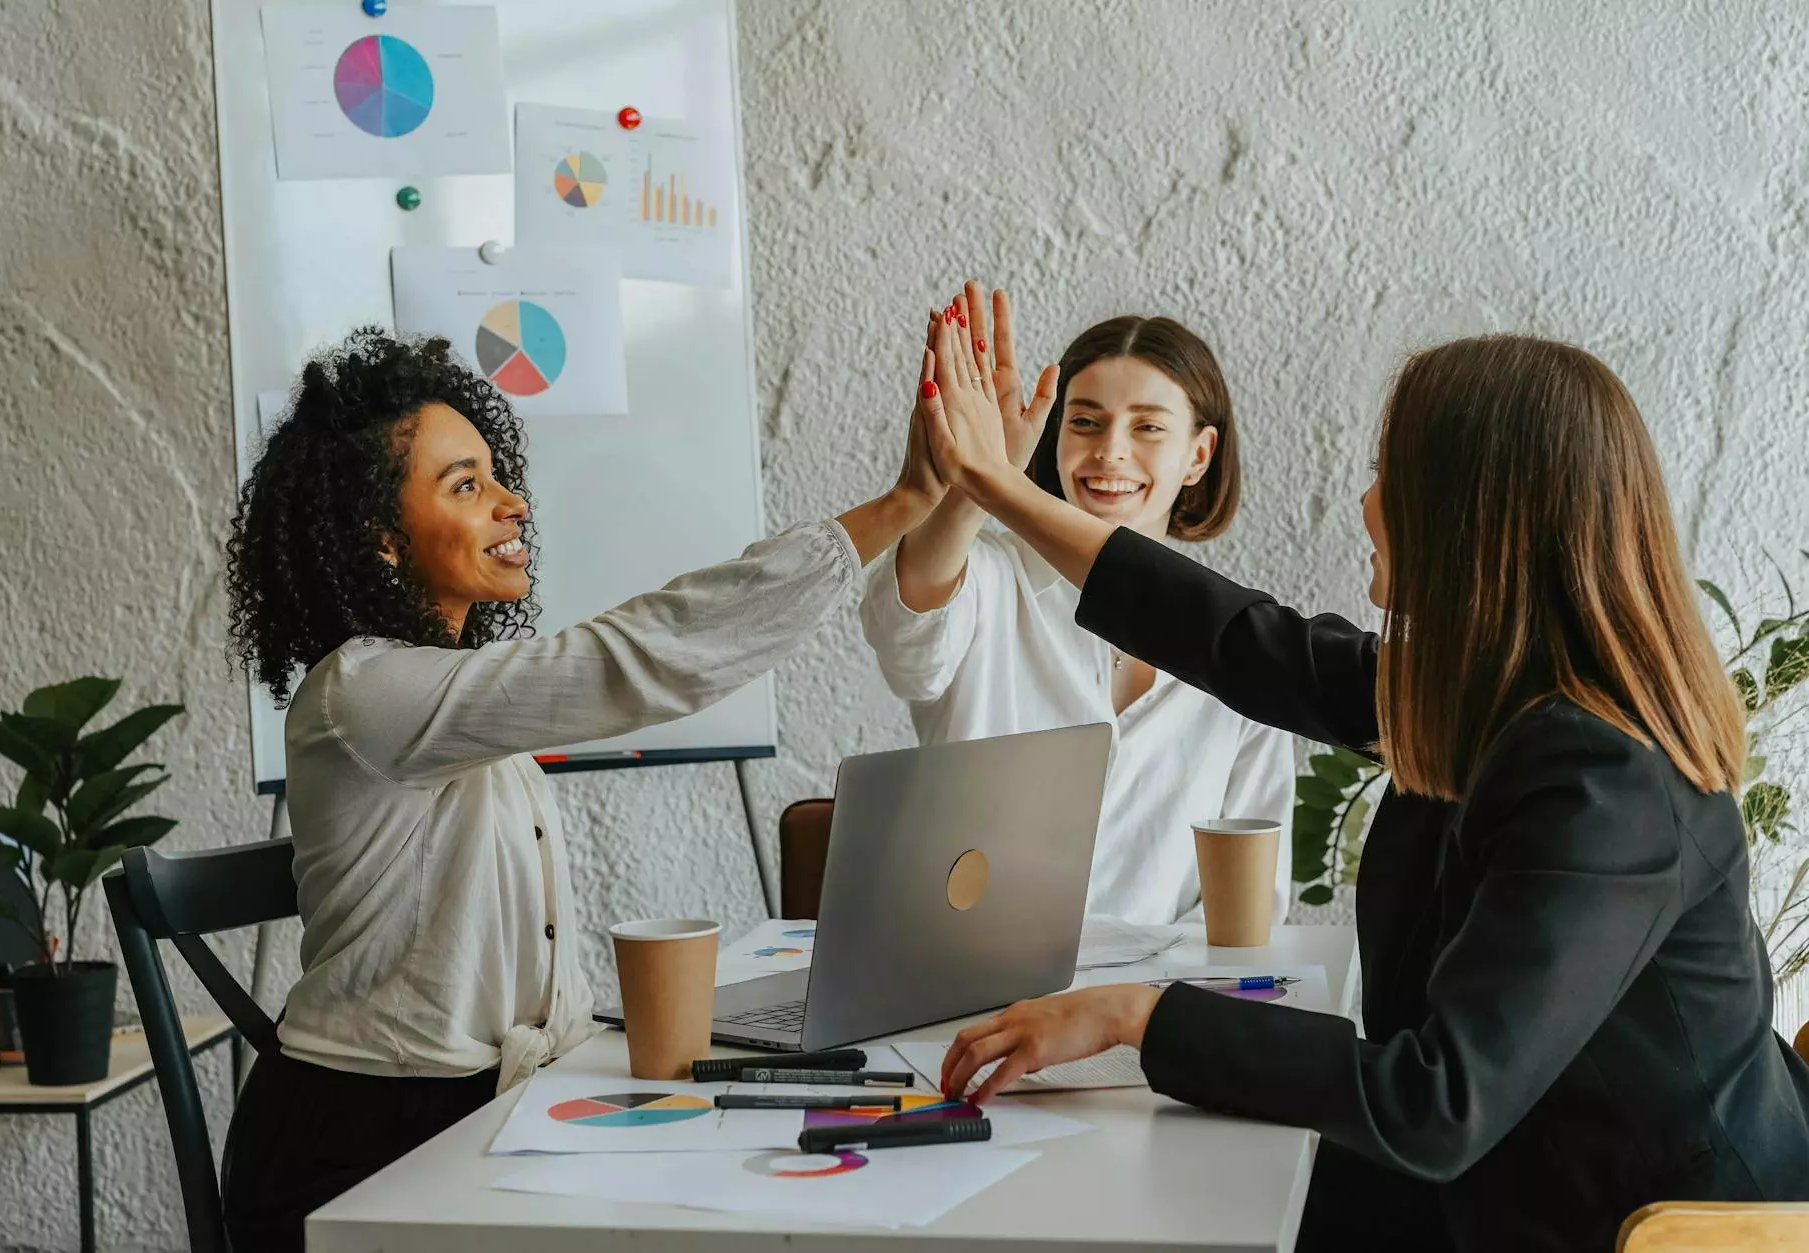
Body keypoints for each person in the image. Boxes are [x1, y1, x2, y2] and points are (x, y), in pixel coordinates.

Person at [914, 310, 1809, 1252]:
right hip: (1510, 1175)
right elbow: (1235, 638)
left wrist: (1137, 1013)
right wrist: (995, 488)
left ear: (1471, 516)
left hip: (1642, 1224)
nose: (1369, 501)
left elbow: (1434, 1101)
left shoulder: (1605, 776)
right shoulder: (1487, 695)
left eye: (1392, 473)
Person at [218, 327, 948, 1250]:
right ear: (380, 542)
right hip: (363, 1145)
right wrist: (903, 505)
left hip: (473, 1115)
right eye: (465, 486)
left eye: (495, 474)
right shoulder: (365, 692)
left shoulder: (449, 697)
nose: (512, 503)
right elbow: (629, 663)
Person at [860, 283, 1293, 924]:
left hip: (1150, 1007)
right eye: (1084, 421)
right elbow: (907, 635)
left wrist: (1150, 1013)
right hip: (970, 994)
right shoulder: (987, 579)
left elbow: (1250, 901)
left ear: (1198, 455)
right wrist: (982, 476)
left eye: (1147, 426)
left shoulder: (1243, 642)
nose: (1110, 450)